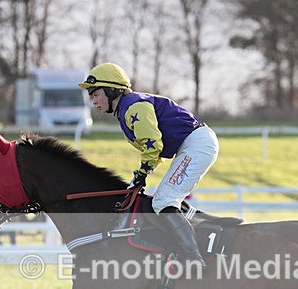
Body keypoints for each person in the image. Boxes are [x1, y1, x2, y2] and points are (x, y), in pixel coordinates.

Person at [79, 63, 219, 268]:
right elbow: (155, 149)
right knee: (165, 198)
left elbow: (153, 144)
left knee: (164, 200)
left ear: (111, 90)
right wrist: (142, 174)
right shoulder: (127, 108)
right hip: (192, 145)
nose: (93, 101)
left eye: (95, 93)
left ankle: (192, 257)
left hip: (196, 145)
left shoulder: (133, 106)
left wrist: (142, 172)